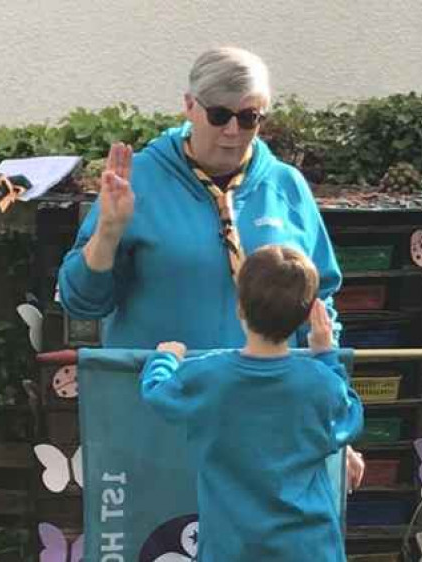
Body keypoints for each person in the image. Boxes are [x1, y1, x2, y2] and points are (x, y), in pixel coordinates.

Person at [56, 47, 365, 485]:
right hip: (160, 425)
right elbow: (81, 301)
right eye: (219, 115)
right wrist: (107, 232)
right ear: (189, 106)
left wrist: (334, 429)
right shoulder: (138, 179)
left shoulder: (285, 185)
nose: (233, 131)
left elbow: (319, 311)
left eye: (249, 117)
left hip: (269, 429)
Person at [140, 245, 364, 562]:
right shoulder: (320, 382)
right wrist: (326, 355)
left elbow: (157, 393)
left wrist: (165, 358)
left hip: (231, 548)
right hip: (310, 548)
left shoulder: (208, 376)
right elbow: (350, 417)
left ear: (240, 308)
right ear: (306, 315)